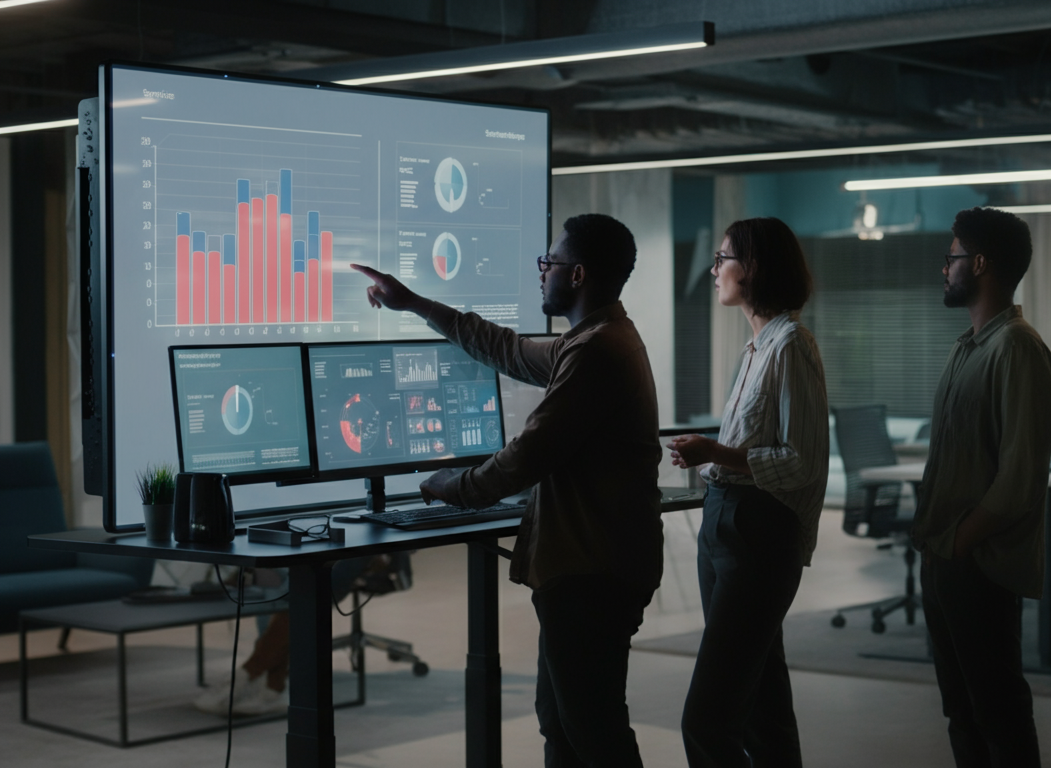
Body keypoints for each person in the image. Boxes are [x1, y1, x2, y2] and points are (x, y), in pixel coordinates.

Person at [351, 213, 662, 768]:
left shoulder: (596, 351)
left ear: (578, 274)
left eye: (550, 263)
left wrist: (452, 486)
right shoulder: (595, 339)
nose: (542, 273)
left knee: (594, 731)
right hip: (592, 565)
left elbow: (527, 457)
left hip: (593, 572)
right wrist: (416, 303)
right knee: (562, 722)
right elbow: (506, 349)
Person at [668, 217, 828, 768]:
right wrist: (713, 451)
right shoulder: (756, 347)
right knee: (762, 708)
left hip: (758, 536)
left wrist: (714, 454)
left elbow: (799, 460)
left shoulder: (791, 345)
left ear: (753, 267)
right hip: (726, 526)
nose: (715, 270)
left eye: (723, 259)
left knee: (707, 722)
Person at [913, 206, 1051, 768]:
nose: (942, 270)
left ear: (978, 264)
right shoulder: (966, 347)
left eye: (949, 259)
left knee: (997, 713)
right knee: (961, 711)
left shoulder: (1016, 348)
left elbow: (1018, 479)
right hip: (945, 555)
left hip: (978, 561)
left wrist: (959, 542)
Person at [194, 555, 375, 716]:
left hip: (361, 551)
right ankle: (270, 685)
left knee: (303, 585)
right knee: (275, 574)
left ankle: (249, 674)